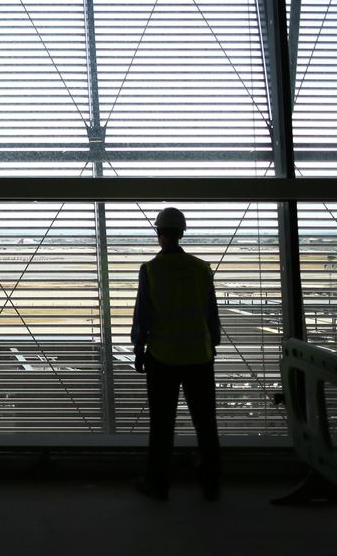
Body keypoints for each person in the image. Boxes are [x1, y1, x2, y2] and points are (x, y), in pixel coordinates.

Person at [130, 207, 222, 501]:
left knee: (161, 425)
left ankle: (158, 485)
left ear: (158, 234)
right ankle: (211, 483)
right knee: (206, 423)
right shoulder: (201, 267)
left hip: (163, 357)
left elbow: (143, 315)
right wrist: (213, 347)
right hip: (200, 356)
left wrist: (138, 348)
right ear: (182, 232)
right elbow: (212, 314)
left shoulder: (151, 270)